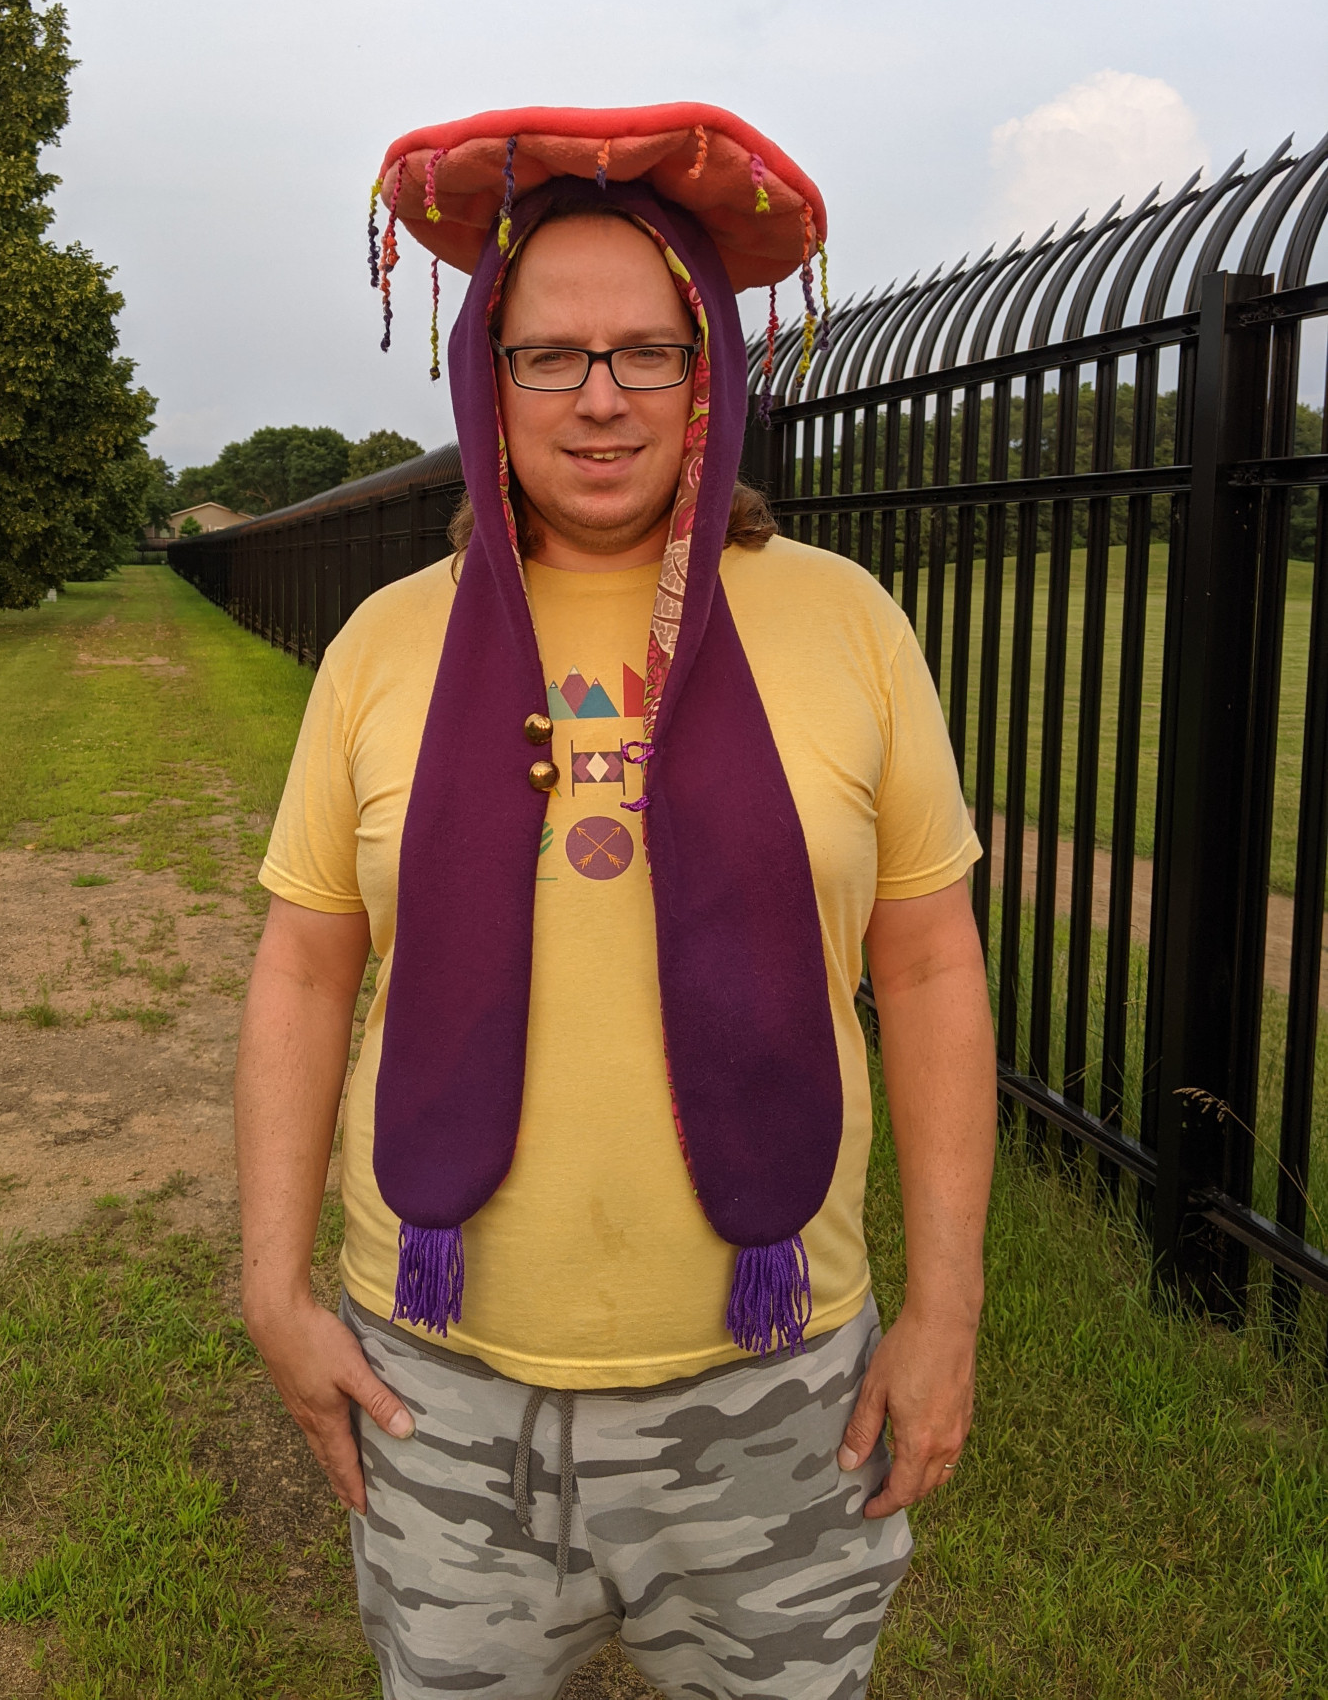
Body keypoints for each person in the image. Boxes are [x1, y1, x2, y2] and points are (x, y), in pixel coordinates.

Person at [236, 105, 996, 1700]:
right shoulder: (386, 643)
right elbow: (307, 969)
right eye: (549, 355)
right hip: (438, 1399)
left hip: (780, 1397)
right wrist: (271, 1282)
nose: (598, 398)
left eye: (647, 353)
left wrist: (947, 1315)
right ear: (483, 378)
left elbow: (926, 969)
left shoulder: (846, 625)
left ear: (709, 374)